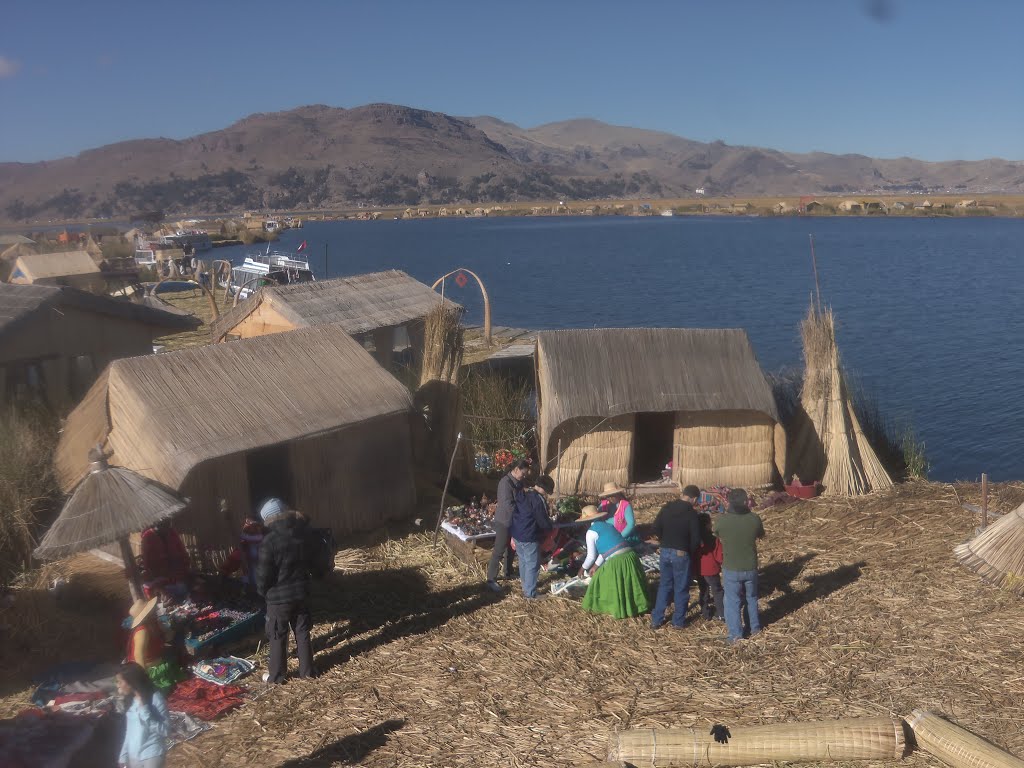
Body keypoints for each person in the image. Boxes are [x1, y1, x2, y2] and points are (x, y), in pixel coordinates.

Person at [255, 498, 316, 683]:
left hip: (278, 598)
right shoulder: (303, 533)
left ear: (269, 519)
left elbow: (264, 574)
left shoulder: (270, 541)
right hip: (301, 592)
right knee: (302, 631)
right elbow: (314, 560)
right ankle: (307, 672)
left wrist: (262, 591)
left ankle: (277, 676)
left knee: (277, 634)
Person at [578, 505, 651, 619]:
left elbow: (591, 556)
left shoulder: (591, 532)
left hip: (617, 561)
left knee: (599, 579)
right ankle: (636, 606)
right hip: (631, 557)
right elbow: (607, 549)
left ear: (586, 522)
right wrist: (595, 567)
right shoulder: (609, 525)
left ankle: (608, 605)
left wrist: (582, 569)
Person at [714, 488, 766, 645]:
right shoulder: (754, 519)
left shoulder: (722, 521)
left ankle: (736, 635)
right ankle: (755, 628)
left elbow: (716, 533)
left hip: (731, 567)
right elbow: (761, 535)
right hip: (750, 567)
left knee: (732, 601)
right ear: (745, 502)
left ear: (728, 502)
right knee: (751, 598)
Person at [649, 484, 702, 629]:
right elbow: (696, 539)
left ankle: (656, 620)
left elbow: (655, 527)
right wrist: (688, 551)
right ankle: (678, 622)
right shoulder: (691, 513)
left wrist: (663, 540)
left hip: (665, 550)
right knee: (681, 587)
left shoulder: (667, 507)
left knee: (664, 585)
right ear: (694, 498)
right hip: (681, 553)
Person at [486, 459, 530, 593]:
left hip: (515, 521)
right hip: (504, 521)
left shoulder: (519, 482)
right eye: (523, 473)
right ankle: (491, 579)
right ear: (516, 469)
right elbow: (507, 504)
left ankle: (508, 572)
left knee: (511, 549)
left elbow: (521, 497)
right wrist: (522, 513)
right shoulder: (505, 483)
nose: (524, 476)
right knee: (499, 550)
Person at [510, 474, 555, 599]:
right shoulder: (537, 500)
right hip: (529, 535)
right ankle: (530, 594)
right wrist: (550, 526)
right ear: (544, 489)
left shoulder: (524, 494)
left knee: (523, 561)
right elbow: (542, 520)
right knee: (532, 564)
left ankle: (526, 586)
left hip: (517, 533)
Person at [117, 661, 169, 768]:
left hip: (151, 755)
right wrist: (123, 756)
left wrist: (145, 711)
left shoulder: (155, 699)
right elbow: (129, 732)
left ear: (131, 682)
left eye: (120, 682)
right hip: (133, 757)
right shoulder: (129, 701)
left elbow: (165, 731)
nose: (118, 686)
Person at [140, 519, 190, 600]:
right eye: (164, 527)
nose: (167, 529)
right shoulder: (148, 537)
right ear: (157, 525)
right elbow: (147, 560)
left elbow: (181, 548)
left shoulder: (171, 532)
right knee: (166, 594)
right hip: (159, 574)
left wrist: (184, 562)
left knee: (182, 589)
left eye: (168, 526)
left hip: (176, 571)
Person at [219, 514, 265, 593]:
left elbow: (257, 538)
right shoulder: (243, 548)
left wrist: (240, 535)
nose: (255, 529)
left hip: (264, 582)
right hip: (251, 584)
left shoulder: (265, 542)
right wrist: (224, 572)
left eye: (256, 527)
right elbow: (231, 562)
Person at [695, 511, 725, 621]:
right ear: (707, 524)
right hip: (711, 570)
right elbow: (719, 556)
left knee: (703, 591)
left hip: (699, 569)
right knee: (717, 591)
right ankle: (721, 613)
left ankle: (705, 613)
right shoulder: (713, 539)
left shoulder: (695, 540)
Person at [125, 597, 163, 669]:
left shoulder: (149, 627)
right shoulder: (142, 631)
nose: (155, 610)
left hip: (155, 662)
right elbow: (139, 657)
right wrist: (143, 677)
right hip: (149, 668)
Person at [598, 482, 639, 547]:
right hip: (607, 538)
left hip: (624, 538)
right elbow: (597, 521)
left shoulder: (625, 505)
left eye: (613, 495)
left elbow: (630, 525)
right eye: (608, 496)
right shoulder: (603, 505)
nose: (611, 498)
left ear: (618, 494)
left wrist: (619, 538)